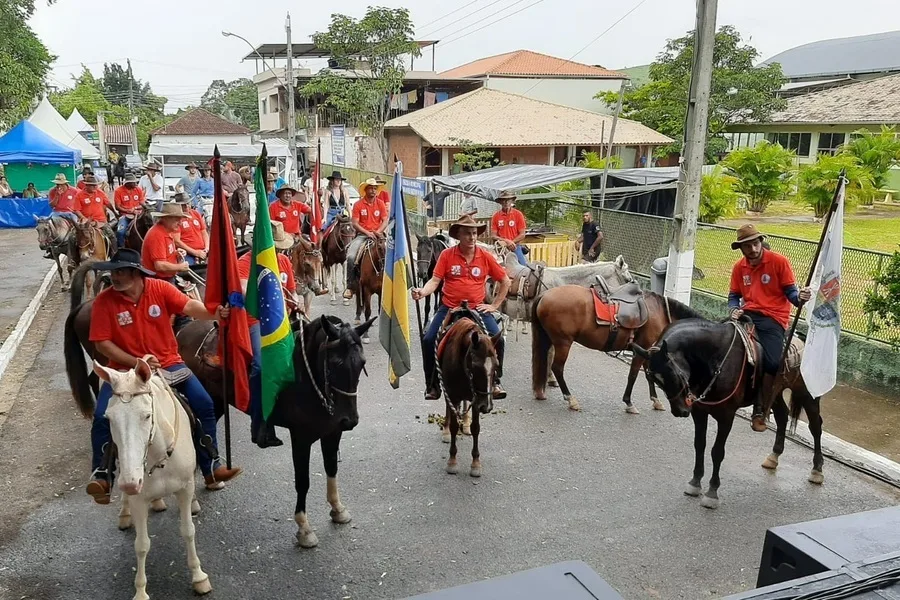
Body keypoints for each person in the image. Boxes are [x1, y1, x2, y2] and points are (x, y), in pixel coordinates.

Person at [84, 248, 242, 504]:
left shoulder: (159, 288)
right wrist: (134, 362)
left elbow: (188, 305)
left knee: (204, 404)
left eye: (121, 271)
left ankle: (211, 466)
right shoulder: (104, 301)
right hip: (125, 372)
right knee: (102, 417)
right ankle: (102, 474)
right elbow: (102, 344)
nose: (115, 277)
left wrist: (214, 313)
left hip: (169, 364)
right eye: (113, 272)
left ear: (136, 274)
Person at [412, 215, 511, 400]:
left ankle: (496, 381)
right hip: (449, 308)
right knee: (428, 339)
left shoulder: (485, 256)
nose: (472, 237)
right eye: (467, 234)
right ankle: (432, 385)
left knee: (499, 340)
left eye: (474, 233)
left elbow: (505, 281)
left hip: (477, 309)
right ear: (458, 235)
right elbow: (435, 281)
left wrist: (494, 305)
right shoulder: (447, 255)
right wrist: (422, 292)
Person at [728, 224, 812, 432]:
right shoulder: (739, 268)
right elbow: (733, 296)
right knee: (722, 345)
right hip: (747, 316)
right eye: (747, 246)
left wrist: (800, 298)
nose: (753, 249)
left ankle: (760, 409)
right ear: (741, 248)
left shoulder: (779, 262)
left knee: (773, 363)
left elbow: (791, 294)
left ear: (761, 242)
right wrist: (733, 310)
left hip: (773, 319)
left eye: (755, 244)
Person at [237, 220, 301, 448]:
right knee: (261, 366)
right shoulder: (245, 263)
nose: (275, 249)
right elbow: (245, 292)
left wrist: (297, 303)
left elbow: (293, 291)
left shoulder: (284, 261)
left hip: (283, 321)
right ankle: (259, 421)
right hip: (255, 321)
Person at [343, 178, 388, 299]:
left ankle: (394, 283)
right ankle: (350, 286)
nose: (373, 191)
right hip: (362, 235)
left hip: (379, 235)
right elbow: (355, 223)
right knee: (351, 256)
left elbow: (385, 220)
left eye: (375, 188)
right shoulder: (358, 205)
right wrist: (367, 233)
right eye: (371, 188)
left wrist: (378, 232)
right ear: (365, 190)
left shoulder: (380, 204)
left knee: (392, 253)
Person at [142, 202, 192, 281]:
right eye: (177, 220)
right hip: (159, 280)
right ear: (165, 219)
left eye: (181, 220)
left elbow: (164, 253)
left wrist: (176, 253)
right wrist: (180, 267)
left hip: (166, 277)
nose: (180, 223)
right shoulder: (157, 235)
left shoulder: (167, 231)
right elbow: (160, 265)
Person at [491, 190, 528, 266]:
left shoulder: (518, 214)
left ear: (511, 201)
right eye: (503, 200)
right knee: (492, 265)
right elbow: (493, 235)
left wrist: (511, 242)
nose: (506, 202)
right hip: (500, 247)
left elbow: (522, 234)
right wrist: (506, 241)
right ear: (500, 202)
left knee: (523, 266)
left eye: (508, 200)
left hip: (515, 246)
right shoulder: (496, 216)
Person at [173, 193, 208, 265]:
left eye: (188, 203)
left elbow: (204, 232)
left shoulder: (196, 213)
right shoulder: (177, 218)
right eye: (183, 205)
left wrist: (207, 248)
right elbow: (177, 241)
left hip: (203, 251)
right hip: (187, 253)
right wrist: (195, 252)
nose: (186, 206)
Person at [113, 173, 146, 247]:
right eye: (133, 182)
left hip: (138, 214)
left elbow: (142, 203)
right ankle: (121, 248)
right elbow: (117, 206)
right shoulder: (118, 191)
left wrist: (136, 209)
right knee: (120, 232)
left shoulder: (138, 190)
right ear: (128, 183)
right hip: (125, 215)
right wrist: (128, 211)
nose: (135, 183)